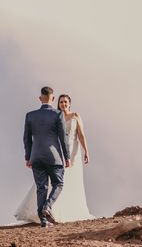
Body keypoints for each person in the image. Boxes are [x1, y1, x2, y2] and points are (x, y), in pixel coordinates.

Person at [14, 92, 94, 224]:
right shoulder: (56, 115)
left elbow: (81, 135)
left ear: (69, 103)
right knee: (54, 182)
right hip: (57, 152)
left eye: (65, 102)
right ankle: (49, 210)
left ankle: (63, 210)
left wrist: (86, 151)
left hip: (72, 151)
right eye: (61, 102)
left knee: (69, 181)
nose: (63, 104)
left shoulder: (75, 116)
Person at [19, 86, 71, 227]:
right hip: (54, 158)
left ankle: (43, 221)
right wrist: (67, 157)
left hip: (36, 157)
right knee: (58, 184)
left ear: (40, 98)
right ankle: (47, 207)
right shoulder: (58, 115)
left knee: (41, 188)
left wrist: (28, 157)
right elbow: (63, 138)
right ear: (53, 99)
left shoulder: (30, 115)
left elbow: (26, 139)